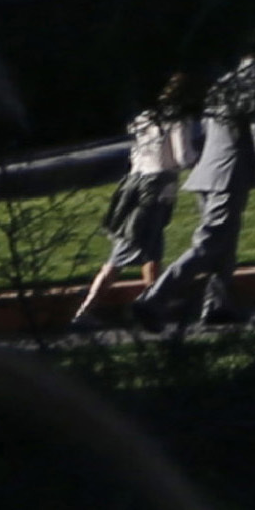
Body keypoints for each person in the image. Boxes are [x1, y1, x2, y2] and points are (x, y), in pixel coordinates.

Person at [139, 59, 255, 329]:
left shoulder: (221, 88)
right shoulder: (254, 87)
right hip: (229, 176)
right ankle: (153, 300)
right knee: (209, 244)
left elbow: (208, 127)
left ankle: (218, 306)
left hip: (207, 174)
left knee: (224, 245)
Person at [66, 75, 199, 329]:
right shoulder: (178, 118)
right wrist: (202, 160)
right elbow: (183, 157)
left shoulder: (144, 117)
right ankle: (84, 312)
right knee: (122, 253)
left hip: (133, 184)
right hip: (157, 188)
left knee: (152, 250)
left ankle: (152, 303)